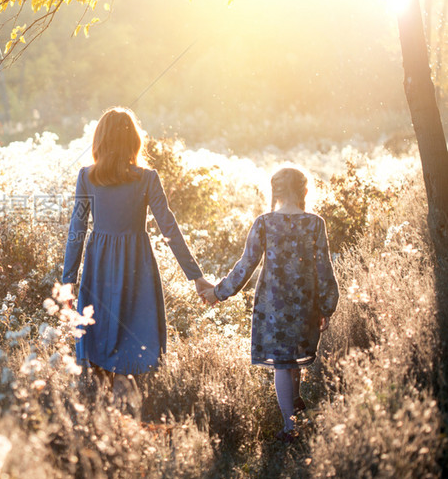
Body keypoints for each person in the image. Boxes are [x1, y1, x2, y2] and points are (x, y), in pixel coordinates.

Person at [61, 106, 214, 407]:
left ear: (100, 140)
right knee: (129, 350)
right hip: (136, 267)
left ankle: (107, 423)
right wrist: (196, 276)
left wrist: (68, 281)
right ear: (134, 141)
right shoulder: (146, 178)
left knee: (101, 342)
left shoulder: (87, 177)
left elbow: (76, 231)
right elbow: (169, 228)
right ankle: (123, 420)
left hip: (99, 267)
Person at [200, 166, 339, 442]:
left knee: (282, 364)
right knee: (293, 360)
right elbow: (325, 268)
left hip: (273, 305)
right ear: (304, 191)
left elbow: (245, 266)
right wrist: (326, 305)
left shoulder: (264, 222)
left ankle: (291, 427)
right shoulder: (315, 223)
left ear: (275, 191)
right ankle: (295, 412)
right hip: (304, 303)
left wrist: (218, 292)